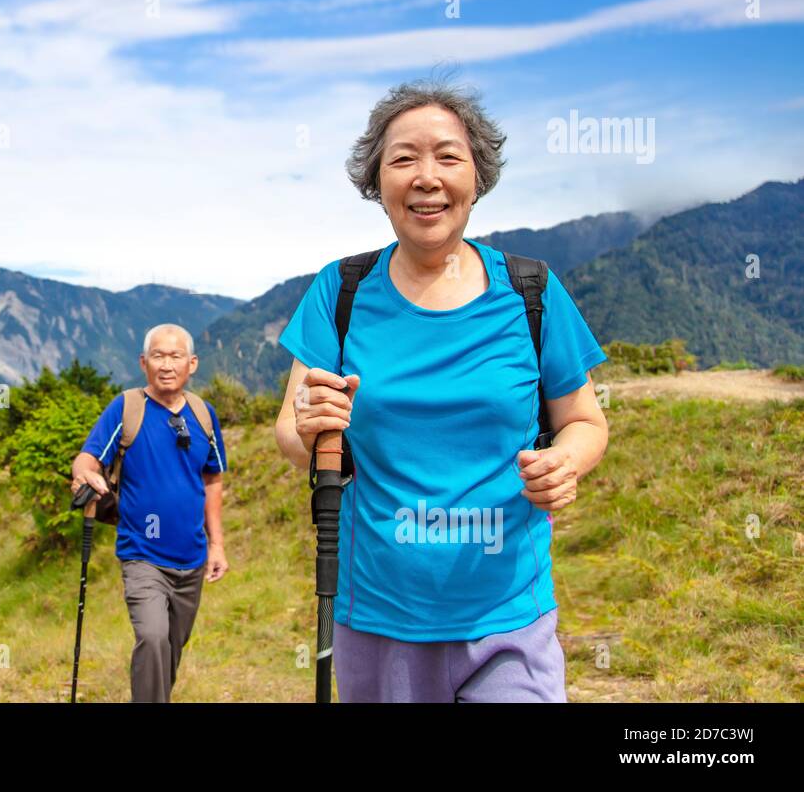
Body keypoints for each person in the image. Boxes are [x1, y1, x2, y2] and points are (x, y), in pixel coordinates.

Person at [273, 78, 610, 702]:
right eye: (403, 158)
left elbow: (585, 420)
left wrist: (566, 460)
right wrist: (310, 422)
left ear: (477, 176)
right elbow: (293, 434)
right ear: (377, 181)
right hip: (378, 619)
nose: (426, 176)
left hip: (510, 618)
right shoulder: (339, 291)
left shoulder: (532, 293)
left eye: (448, 156)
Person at [71, 323, 229, 702]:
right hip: (142, 554)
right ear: (144, 362)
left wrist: (217, 545)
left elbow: (213, 480)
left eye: (175, 356)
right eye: (158, 355)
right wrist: (83, 474)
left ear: (192, 363)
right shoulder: (127, 408)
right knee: (153, 637)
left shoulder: (203, 415)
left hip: (191, 558)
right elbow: (89, 458)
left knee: (169, 652)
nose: (166, 364)